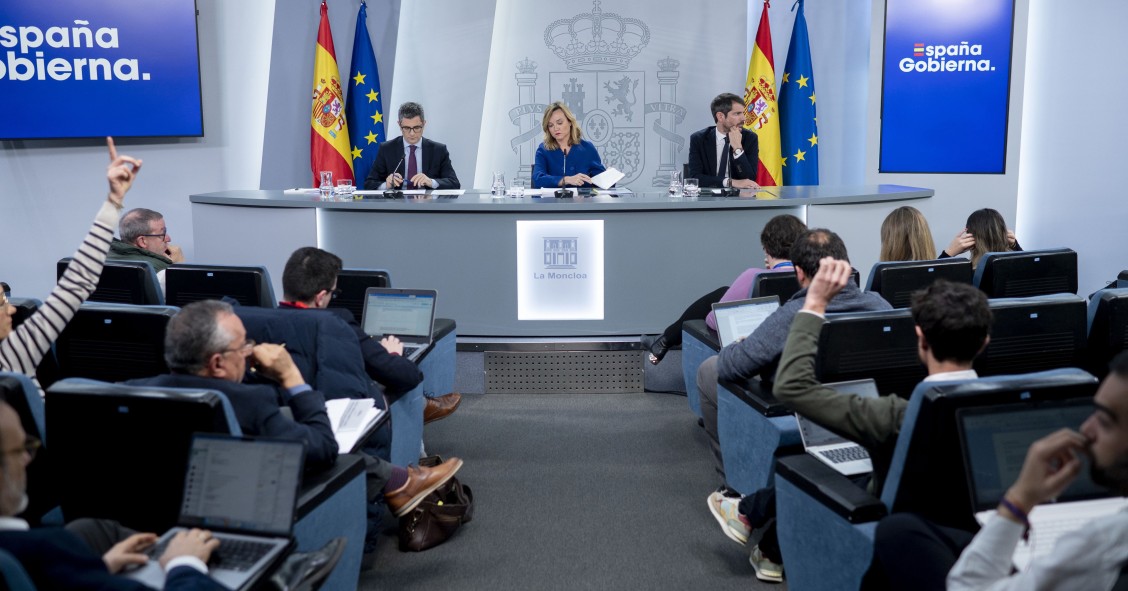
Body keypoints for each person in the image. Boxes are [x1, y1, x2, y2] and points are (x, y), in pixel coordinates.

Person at [707, 267, 992, 582]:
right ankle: (767, 543)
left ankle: (750, 514)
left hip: (897, 533)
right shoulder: (1003, 410)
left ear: (920, 337)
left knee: (811, 467)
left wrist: (813, 306)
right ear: (984, 342)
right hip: (976, 538)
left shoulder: (895, 416)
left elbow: (794, 387)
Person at [125, 300, 462, 516]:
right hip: (242, 502)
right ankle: (400, 483)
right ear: (216, 363)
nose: (252, 350)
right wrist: (291, 378)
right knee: (338, 454)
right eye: (244, 345)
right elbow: (323, 449)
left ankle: (400, 482)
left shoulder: (128, 391)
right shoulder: (249, 404)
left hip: (158, 505)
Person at [696, 229, 891, 492]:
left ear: (799, 273)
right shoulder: (879, 305)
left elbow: (733, 365)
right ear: (844, 264)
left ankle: (732, 484)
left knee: (709, 370)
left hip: (801, 412)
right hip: (865, 410)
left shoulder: (794, 314)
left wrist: (738, 346)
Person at [947, 352, 1128, 590]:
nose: (1086, 428)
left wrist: (1020, 498)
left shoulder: (1103, 544)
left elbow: (966, 586)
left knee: (901, 532)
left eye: (1105, 421)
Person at [0, 399, 224, 590]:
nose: (27, 460)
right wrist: (184, 564)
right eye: (21, 450)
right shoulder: (46, 550)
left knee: (88, 528)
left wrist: (97, 569)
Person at [0, 138, 141, 398]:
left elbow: (78, 282)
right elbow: (77, 283)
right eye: (1, 303)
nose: (12, 308)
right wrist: (113, 201)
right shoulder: (14, 353)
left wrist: (114, 202)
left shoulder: (14, 349)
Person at [278, 246, 461, 423]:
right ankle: (422, 410)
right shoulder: (338, 324)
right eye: (333, 293)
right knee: (403, 373)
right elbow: (405, 375)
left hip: (282, 415)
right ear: (320, 297)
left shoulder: (262, 324)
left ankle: (422, 411)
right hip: (342, 419)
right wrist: (393, 354)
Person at [643, 214, 806, 365]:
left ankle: (665, 339)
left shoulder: (754, 276)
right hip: (800, 349)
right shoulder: (812, 277)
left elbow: (714, 320)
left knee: (720, 298)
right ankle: (663, 341)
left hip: (754, 353)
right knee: (723, 292)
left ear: (766, 248)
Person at [363, 101, 460, 190]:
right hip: (397, 206)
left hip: (428, 205)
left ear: (424, 124)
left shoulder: (438, 150)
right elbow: (369, 184)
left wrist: (431, 182)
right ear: (399, 125)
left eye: (417, 128)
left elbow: (454, 183)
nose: (412, 133)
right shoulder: (387, 149)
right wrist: (387, 184)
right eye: (406, 128)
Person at [687, 93, 760, 189]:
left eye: (743, 113)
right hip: (707, 198)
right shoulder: (699, 139)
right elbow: (695, 178)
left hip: (739, 199)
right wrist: (729, 182)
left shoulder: (750, 138)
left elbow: (749, 179)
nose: (743, 118)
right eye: (737, 114)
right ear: (720, 116)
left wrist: (738, 149)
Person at [531, 101, 606, 189]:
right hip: (553, 202)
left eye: (559, 123)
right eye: (550, 125)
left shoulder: (587, 148)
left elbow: (602, 182)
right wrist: (566, 180)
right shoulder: (543, 149)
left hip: (582, 202)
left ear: (570, 122)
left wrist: (610, 177)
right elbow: (538, 179)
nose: (556, 128)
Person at [108, 207, 185, 290]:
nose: (168, 239)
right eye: (162, 234)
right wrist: (178, 267)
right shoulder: (161, 274)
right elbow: (187, 296)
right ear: (142, 241)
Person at [940, 208, 1021, 267]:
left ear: (970, 237)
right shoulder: (1016, 268)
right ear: (1004, 233)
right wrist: (1015, 246)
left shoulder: (966, 275)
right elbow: (1031, 266)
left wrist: (949, 253)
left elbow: (930, 282)